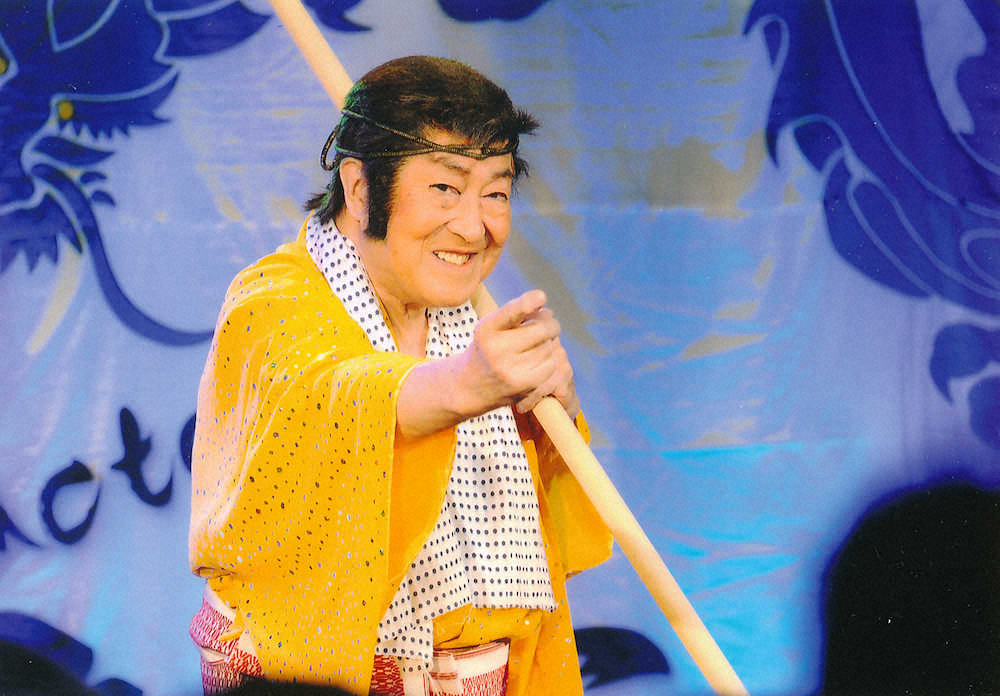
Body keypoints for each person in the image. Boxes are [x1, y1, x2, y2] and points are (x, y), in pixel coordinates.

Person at [188, 56, 612, 696]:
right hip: (314, 680)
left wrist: (553, 420)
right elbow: (340, 397)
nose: (473, 226)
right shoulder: (273, 302)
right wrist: (464, 386)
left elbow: (555, 523)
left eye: (495, 193)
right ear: (361, 189)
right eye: (445, 188)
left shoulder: (468, 316)